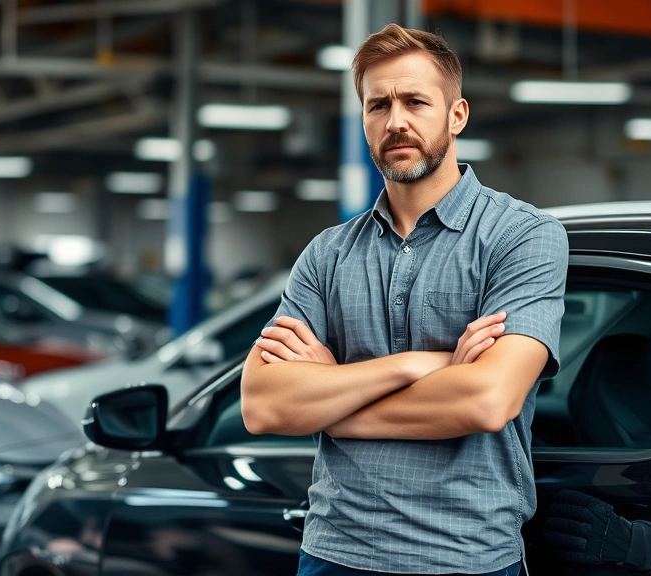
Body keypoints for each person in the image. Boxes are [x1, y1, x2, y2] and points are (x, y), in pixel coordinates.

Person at [241, 23, 568, 576]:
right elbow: (263, 404)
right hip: (333, 552)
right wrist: (424, 364)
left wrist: (335, 409)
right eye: (378, 105)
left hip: (465, 557)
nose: (396, 121)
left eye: (415, 101)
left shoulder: (522, 235)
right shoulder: (327, 254)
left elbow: (486, 401)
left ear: (456, 115)